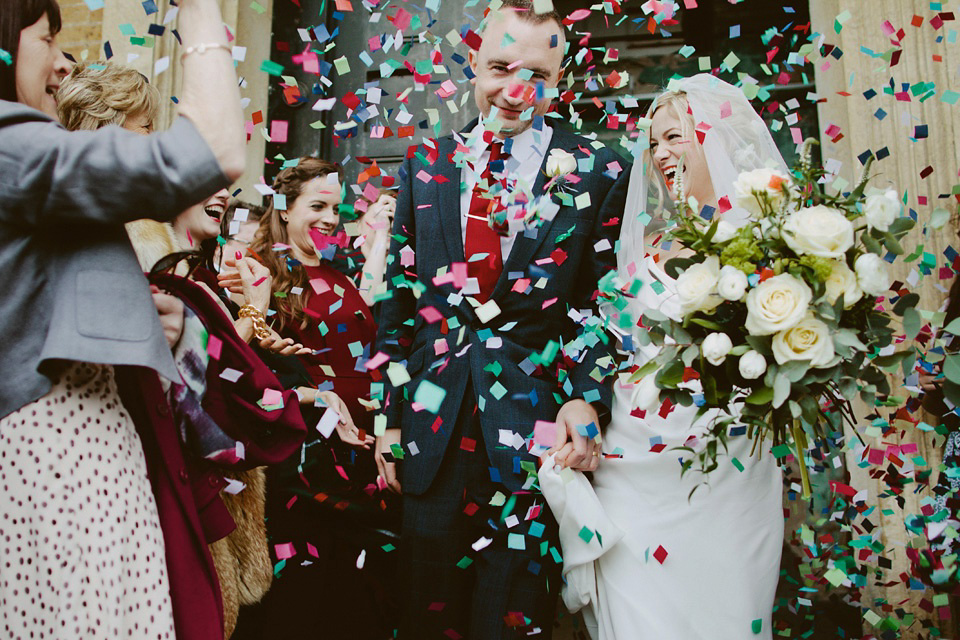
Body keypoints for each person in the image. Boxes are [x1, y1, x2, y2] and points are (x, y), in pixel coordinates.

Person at [373, 1, 629, 636]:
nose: (517, 89)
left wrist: (585, 396)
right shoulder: (426, 163)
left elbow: (605, 301)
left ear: (559, 80)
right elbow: (399, 304)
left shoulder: (600, 167)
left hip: (534, 430)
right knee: (424, 610)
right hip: (430, 426)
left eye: (537, 75)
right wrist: (387, 419)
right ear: (471, 66)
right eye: (500, 67)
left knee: (513, 618)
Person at [0, 0, 245, 637]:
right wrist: (198, 11)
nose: (61, 63)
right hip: (58, 459)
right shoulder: (8, 149)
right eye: (46, 38)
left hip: (81, 455)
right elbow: (212, 153)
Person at [552, 74, 785, 640]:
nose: (660, 155)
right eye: (653, 143)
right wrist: (578, 398)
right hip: (630, 469)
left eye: (674, 137)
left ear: (717, 138)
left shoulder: (768, 237)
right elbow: (603, 340)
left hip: (725, 471)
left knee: (726, 615)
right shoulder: (646, 243)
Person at [227, 157, 399, 640]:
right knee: (302, 600)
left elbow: (371, 347)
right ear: (284, 208)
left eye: (336, 208)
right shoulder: (258, 276)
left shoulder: (342, 273)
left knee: (355, 601)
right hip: (300, 464)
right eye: (317, 206)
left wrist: (378, 245)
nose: (328, 218)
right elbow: (243, 370)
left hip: (361, 457)